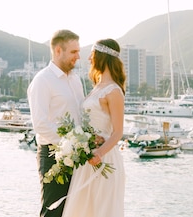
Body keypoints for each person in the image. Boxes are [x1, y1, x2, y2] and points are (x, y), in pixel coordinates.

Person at [62, 38, 126, 217]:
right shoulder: (97, 87)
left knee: (101, 210)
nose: (89, 58)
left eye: (92, 53)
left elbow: (118, 131)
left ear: (101, 56)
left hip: (103, 159)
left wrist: (100, 152)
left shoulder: (113, 91)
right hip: (87, 158)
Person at [27, 29, 85, 217]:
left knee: (75, 210)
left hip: (78, 155)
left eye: (78, 51)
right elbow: (41, 124)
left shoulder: (75, 80)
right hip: (53, 156)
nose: (78, 56)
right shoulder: (42, 81)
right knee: (53, 211)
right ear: (58, 50)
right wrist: (70, 145)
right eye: (73, 52)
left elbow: (80, 115)